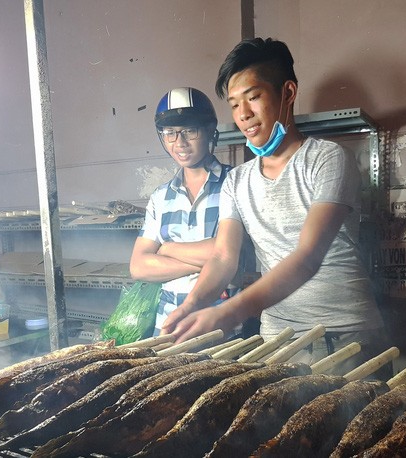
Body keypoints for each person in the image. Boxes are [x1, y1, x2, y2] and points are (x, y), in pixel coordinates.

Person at [161, 38, 388, 370]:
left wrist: (228, 311)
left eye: (254, 97)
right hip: (278, 340)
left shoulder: (327, 159)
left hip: (345, 335)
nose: (244, 115)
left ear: (288, 93)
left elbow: (307, 256)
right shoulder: (237, 181)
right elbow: (224, 257)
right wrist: (192, 304)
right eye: (235, 104)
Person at [129, 87, 243, 336]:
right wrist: (203, 263)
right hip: (168, 328)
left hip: (222, 327)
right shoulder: (160, 197)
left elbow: (228, 253)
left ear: (209, 130)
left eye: (189, 131)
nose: (179, 143)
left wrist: (167, 250)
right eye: (170, 133)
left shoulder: (235, 183)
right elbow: (139, 266)